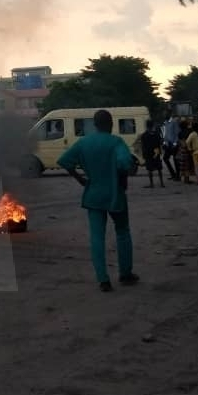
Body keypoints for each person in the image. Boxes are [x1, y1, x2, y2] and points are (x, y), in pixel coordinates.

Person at [57, 109, 140, 292]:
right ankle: (125, 274)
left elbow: (64, 161)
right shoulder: (116, 142)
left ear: (94, 125)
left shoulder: (84, 142)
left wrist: (80, 179)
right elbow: (125, 163)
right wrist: (125, 175)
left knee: (97, 237)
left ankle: (103, 280)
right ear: (111, 124)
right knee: (122, 232)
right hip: (115, 195)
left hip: (93, 194)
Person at [140, 119, 164, 188]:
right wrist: (159, 151)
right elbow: (160, 143)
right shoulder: (156, 134)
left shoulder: (144, 135)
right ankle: (162, 183)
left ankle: (152, 184)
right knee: (159, 168)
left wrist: (143, 154)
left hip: (148, 153)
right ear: (152, 125)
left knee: (149, 169)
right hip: (156, 152)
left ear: (146, 126)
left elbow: (143, 146)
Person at [161, 113, 180, 181]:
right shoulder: (165, 123)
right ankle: (173, 174)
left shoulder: (174, 122)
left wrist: (175, 144)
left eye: (165, 114)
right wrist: (164, 143)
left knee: (176, 160)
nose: (164, 116)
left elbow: (177, 134)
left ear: (169, 115)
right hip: (168, 144)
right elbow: (165, 135)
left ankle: (178, 176)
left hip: (173, 144)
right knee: (165, 158)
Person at [177, 120, 193, 184]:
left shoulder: (180, 133)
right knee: (187, 165)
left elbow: (179, 142)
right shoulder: (189, 132)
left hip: (182, 150)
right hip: (188, 149)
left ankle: (185, 179)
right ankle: (187, 179)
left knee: (183, 164)